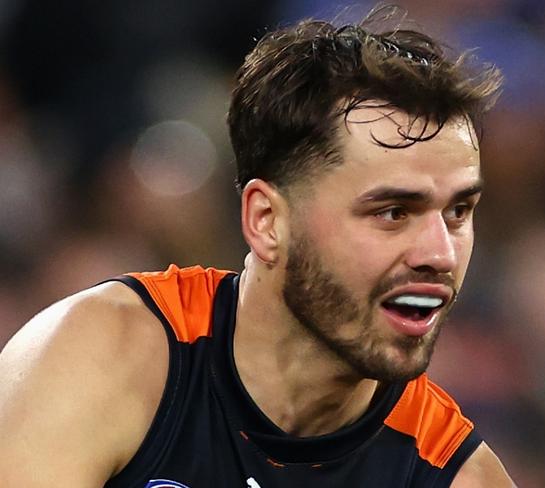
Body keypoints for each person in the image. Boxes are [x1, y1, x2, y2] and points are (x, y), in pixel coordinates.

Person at [0, 5, 514, 487]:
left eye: (458, 213)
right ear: (267, 221)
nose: (440, 254)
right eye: (392, 213)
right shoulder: (101, 358)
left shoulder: (452, 474)